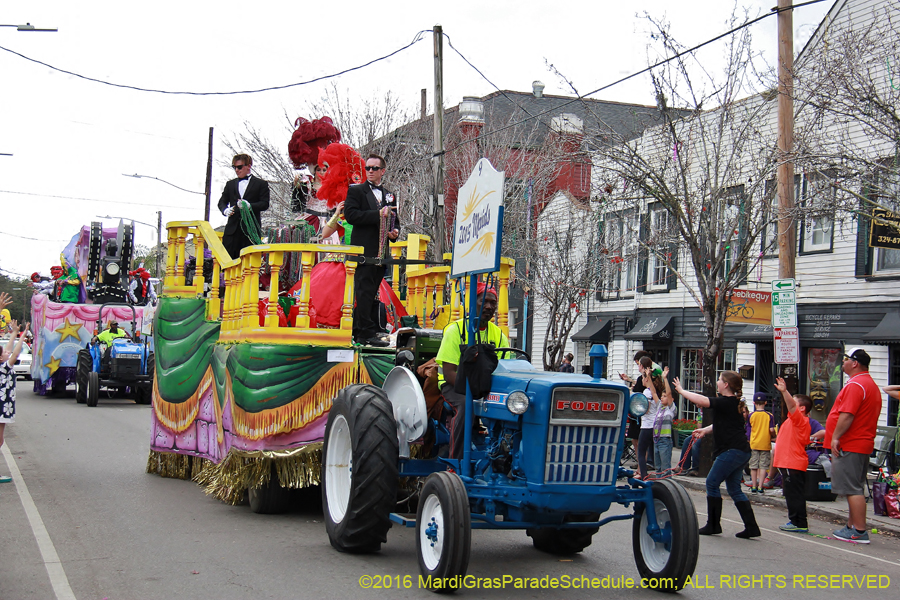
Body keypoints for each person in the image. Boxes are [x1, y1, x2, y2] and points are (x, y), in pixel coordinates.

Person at [674, 371, 760, 539]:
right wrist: (705, 430)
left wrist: (682, 391)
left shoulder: (726, 401)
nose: (718, 382)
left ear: (726, 385)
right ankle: (752, 527)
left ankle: (713, 524)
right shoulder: (733, 403)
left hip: (732, 450)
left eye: (720, 380)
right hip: (740, 450)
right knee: (734, 488)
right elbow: (724, 424)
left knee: (712, 483)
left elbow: (703, 401)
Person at [435, 283, 508, 459]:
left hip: (485, 388)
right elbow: (449, 372)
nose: (489, 307)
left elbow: (507, 370)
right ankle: (456, 463)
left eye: (493, 303)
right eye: (484, 301)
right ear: (472, 303)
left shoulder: (499, 335)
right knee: (466, 405)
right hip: (454, 386)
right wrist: (474, 391)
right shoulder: (455, 331)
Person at [825, 347, 882, 544]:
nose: (843, 362)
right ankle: (851, 526)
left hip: (851, 443)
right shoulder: (868, 383)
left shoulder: (857, 385)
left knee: (852, 489)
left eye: (846, 359)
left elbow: (847, 414)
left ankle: (859, 530)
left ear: (855, 363)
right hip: (860, 442)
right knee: (853, 487)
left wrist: (836, 437)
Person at [344, 153, 399, 347]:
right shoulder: (356, 191)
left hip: (381, 251)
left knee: (373, 290)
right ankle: (364, 333)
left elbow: (395, 219)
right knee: (364, 291)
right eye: (367, 168)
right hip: (364, 250)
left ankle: (366, 330)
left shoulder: (389, 194)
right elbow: (350, 215)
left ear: (382, 171)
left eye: (374, 168)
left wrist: (395, 232)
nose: (370, 171)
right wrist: (377, 214)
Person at [772, 377, 813, 533]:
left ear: (801, 408)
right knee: (791, 494)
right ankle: (797, 520)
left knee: (794, 494)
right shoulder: (793, 420)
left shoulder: (800, 420)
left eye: (794, 402)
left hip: (792, 462)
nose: (790, 403)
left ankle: (798, 522)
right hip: (789, 462)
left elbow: (790, 405)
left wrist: (785, 391)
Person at [217, 154, 270, 260]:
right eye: (234, 167)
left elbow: (265, 204)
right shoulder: (230, 184)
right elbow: (222, 202)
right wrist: (225, 210)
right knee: (228, 261)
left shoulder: (261, 184)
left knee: (249, 263)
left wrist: (250, 206)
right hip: (232, 231)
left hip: (251, 231)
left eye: (239, 167)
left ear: (248, 166)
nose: (236, 170)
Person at [0, 320, 30, 484]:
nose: (7, 352)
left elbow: (10, 350)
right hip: (1, 406)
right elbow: (15, 353)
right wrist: (22, 336)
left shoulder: (2, 365)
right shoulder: (4, 367)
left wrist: (15, 334)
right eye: (4, 353)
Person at [620, 351, 655, 474]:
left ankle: (641, 469)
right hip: (637, 415)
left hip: (641, 415)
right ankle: (641, 468)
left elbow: (641, 395)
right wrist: (629, 380)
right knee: (635, 440)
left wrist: (630, 392)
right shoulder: (641, 379)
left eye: (639, 364)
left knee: (640, 443)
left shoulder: (646, 379)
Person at [646, 367, 675, 475]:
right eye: (661, 396)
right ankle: (659, 486)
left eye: (664, 396)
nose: (662, 398)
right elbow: (653, 392)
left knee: (665, 468)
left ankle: (667, 486)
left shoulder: (671, 409)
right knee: (658, 468)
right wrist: (648, 376)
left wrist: (665, 379)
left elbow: (669, 394)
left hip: (665, 441)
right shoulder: (659, 407)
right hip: (656, 440)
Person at [748, 392, 775, 494]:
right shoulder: (769, 416)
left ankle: (753, 486)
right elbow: (771, 430)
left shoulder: (751, 415)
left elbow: (748, 431)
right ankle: (760, 487)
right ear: (765, 402)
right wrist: (773, 436)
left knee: (754, 466)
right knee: (763, 466)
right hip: (765, 444)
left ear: (754, 403)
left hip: (754, 443)